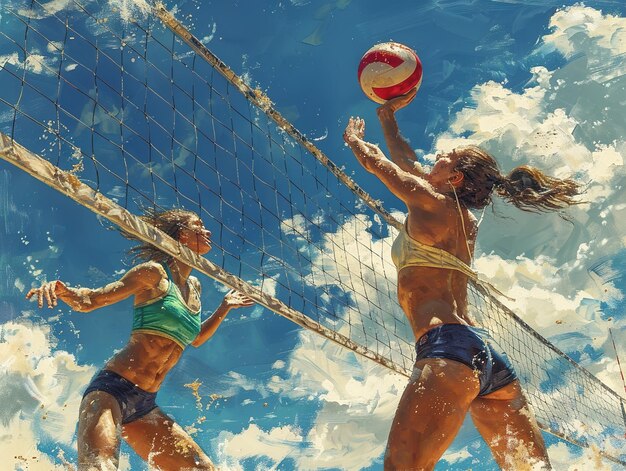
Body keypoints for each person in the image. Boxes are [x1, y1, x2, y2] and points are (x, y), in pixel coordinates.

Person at [343, 90, 580, 470]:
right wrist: (387, 118)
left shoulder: (429, 202)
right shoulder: (460, 218)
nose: (433, 159)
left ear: (454, 177)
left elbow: (380, 165)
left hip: (448, 350)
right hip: (487, 359)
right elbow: (407, 161)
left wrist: (355, 141)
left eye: (444, 159)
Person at [26, 208, 255, 471]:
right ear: (182, 233)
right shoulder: (154, 273)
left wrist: (224, 306)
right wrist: (64, 291)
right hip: (111, 390)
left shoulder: (195, 288)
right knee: (98, 467)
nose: (208, 231)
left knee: (202, 469)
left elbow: (196, 338)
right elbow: (92, 300)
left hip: (144, 404)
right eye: (199, 225)